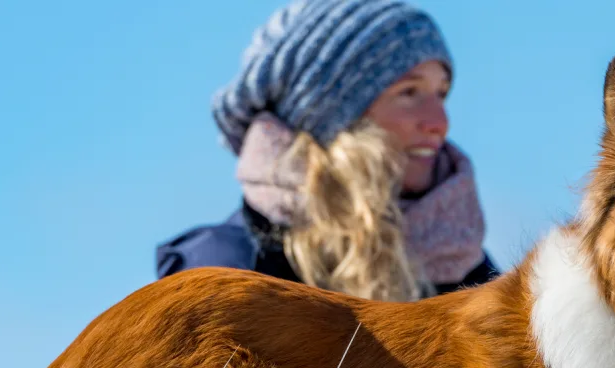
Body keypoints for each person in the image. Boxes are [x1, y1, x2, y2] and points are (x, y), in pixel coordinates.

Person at [155, 0, 499, 302]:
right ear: (327, 116)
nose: (440, 121)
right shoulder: (229, 272)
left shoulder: (468, 275)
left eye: (441, 94)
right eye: (409, 92)